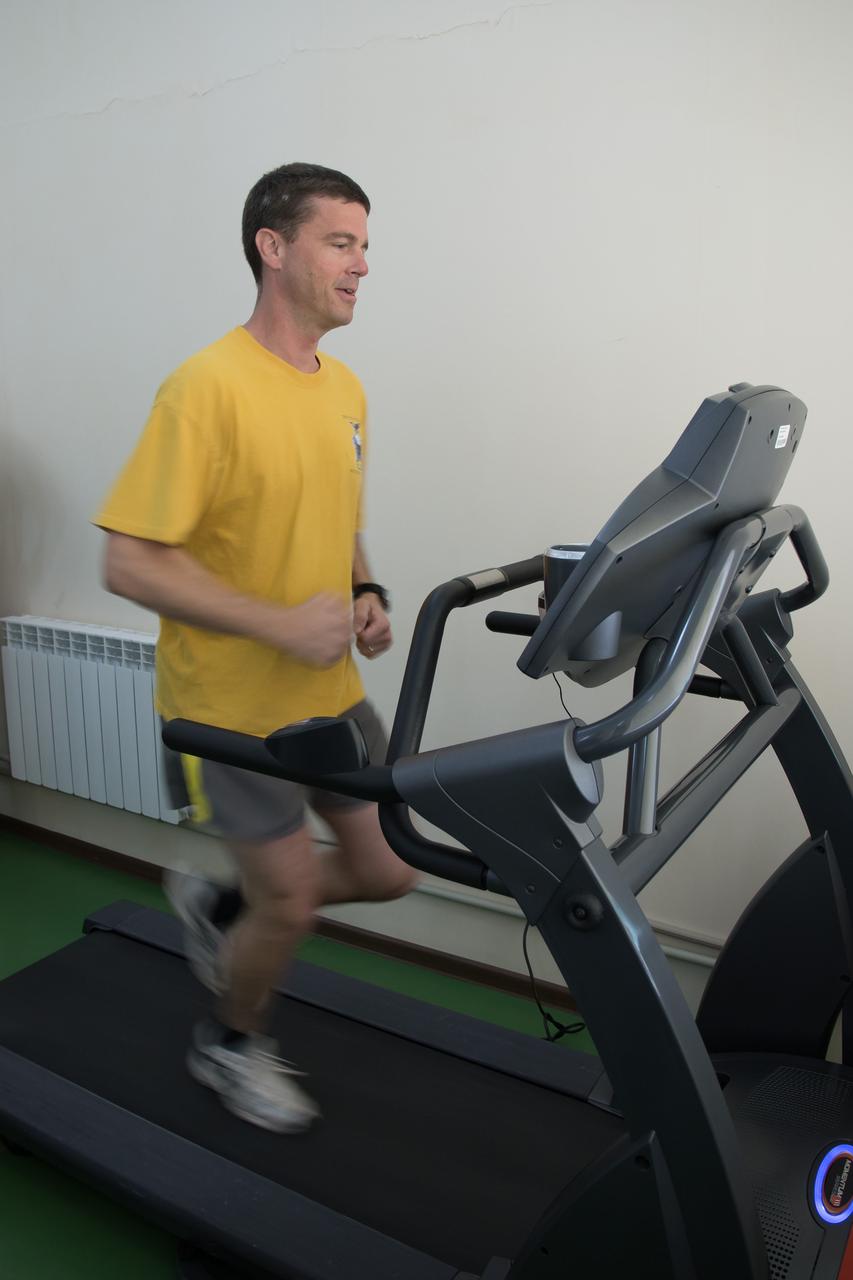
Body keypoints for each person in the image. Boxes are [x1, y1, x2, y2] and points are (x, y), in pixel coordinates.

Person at [95, 162, 417, 1134]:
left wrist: (363, 590)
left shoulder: (346, 386)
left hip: (330, 685)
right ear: (272, 249)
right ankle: (228, 1040)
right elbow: (128, 562)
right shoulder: (205, 386)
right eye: (340, 241)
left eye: (365, 243)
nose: (364, 263)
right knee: (292, 903)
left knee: (389, 866)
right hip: (231, 709)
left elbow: (339, 523)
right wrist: (276, 622)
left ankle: (223, 906)